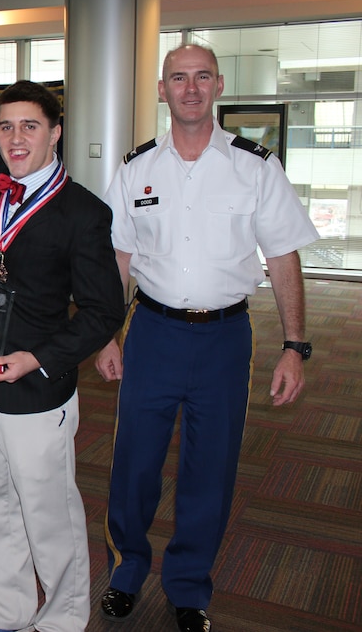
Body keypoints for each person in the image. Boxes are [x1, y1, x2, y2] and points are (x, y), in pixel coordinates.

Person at [95, 44, 319, 632]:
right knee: (134, 461)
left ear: (218, 85)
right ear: (162, 90)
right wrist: (107, 334)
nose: (189, 88)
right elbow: (119, 255)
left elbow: (283, 256)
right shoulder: (136, 168)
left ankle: (189, 585)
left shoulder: (255, 165)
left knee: (210, 466)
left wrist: (295, 346)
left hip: (225, 339)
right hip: (151, 333)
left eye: (200, 77)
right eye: (178, 78)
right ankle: (126, 569)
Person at [0, 80, 125, 632]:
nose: (16, 138)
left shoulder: (84, 213)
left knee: (49, 513)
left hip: (35, 386)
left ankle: (63, 619)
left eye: (30, 126)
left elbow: (101, 312)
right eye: (6, 126)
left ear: (55, 132)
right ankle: (5, 610)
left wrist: (35, 358)